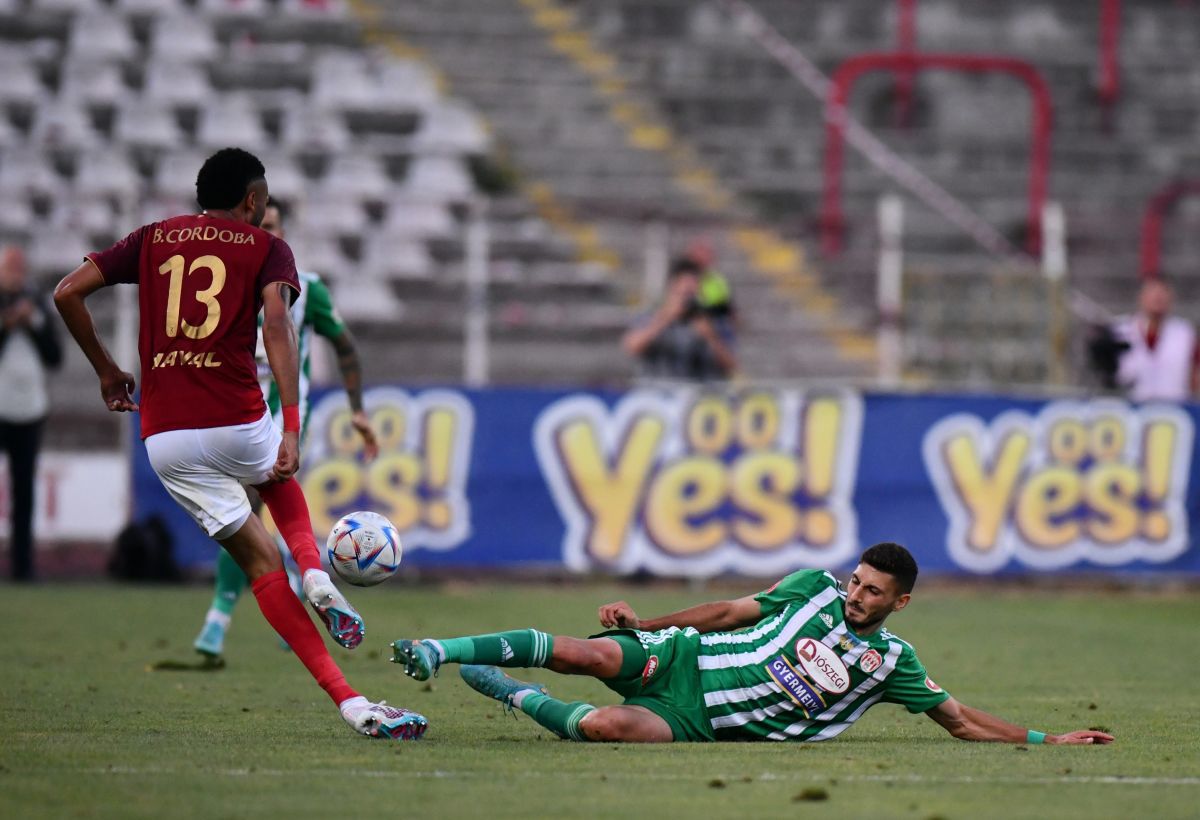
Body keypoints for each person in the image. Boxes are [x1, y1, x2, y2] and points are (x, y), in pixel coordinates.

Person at [53, 147, 426, 740]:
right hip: (235, 418)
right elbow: (277, 325)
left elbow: (66, 292)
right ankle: (316, 574)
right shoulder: (267, 248)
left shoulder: (151, 238)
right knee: (277, 475)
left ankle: (353, 704)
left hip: (165, 437)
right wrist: (292, 426)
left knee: (259, 565)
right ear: (253, 200)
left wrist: (106, 370)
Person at [391, 543, 1113, 746]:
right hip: (683, 656)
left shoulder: (892, 663)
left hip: (696, 721)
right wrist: (646, 626)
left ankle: (515, 693)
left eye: (873, 592)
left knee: (606, 727)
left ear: (900, 603)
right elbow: (726, 612)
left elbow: (959, 720)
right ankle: (439, 649)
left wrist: (1046, 739)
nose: (857, 595)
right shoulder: (812, 586)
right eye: (856, 582)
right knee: (588, 653)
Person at [192, 198, 379, 661]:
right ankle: (296, 583)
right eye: (258, 225)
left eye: (272, 226)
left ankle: (218, 617)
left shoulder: (306, 288)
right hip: (228, 414)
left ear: (284, 233)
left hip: (281, 420)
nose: (265, 233)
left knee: (244, 510)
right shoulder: (221, 283)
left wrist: (358, 410)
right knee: (242, 516)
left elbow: (345, 345)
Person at [0, 245, 62, 581]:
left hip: (29, 408)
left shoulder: (37, 305)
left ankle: (22, 568)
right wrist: (8, 325)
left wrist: (32, 323)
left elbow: (54, 356)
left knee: (24, 491)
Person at [621, 257, 737, 380]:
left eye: (692, 294)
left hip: (697, 389)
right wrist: (664, 320)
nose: (688, 300)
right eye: (684, 293)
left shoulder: (710, 319)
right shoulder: (651, 315)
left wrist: (710, 337)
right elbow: (632, 347)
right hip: (656, 388)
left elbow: (732, 365)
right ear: (672, 287)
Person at [1109, 278, 1198, 401]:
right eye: (1152, 293)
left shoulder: (1184, 332)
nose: (1157, 298)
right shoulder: (1120, 329)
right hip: (1129, 405)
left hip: (1175, 405)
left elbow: (1195, 371)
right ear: (1141, 297)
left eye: (1162, 294)